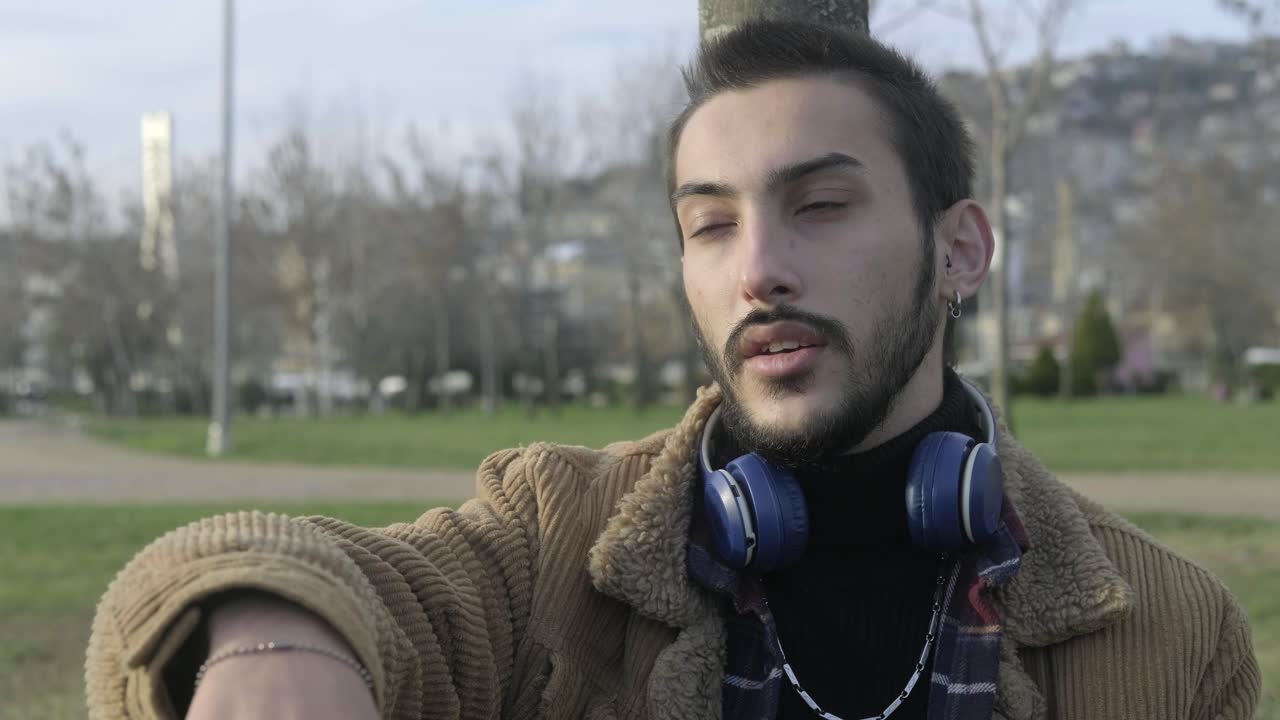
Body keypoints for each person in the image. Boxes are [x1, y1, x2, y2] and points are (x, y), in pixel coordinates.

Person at [86, 20, 1260, 720]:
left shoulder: (1167, 630)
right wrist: (265, 638)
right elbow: (272, 563)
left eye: (820, 206)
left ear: (960, 246)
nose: (758, 270)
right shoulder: (558, 539)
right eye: (710, 224)